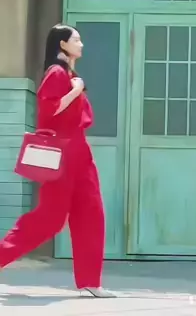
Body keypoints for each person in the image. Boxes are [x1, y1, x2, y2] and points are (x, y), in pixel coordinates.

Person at [0, 24, 115, 298]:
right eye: (77, 39)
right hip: (62, 153)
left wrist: (77, 86)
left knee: (91, 213)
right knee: (49, 219)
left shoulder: (70, 74)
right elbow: (49, 109)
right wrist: (76, 91)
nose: (82, 44)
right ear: (63, 44)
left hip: (80, 152)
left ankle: (90, 281)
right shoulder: (57, 73)